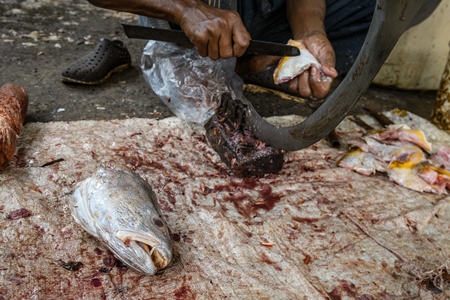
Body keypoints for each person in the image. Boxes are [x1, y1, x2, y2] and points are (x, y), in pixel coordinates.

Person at [85, 0, 376, 100]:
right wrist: (187, 9)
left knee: (387, 10)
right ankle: (229, 57)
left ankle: (242, 58)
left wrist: (309, 32)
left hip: (257, 11)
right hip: (181, 12)